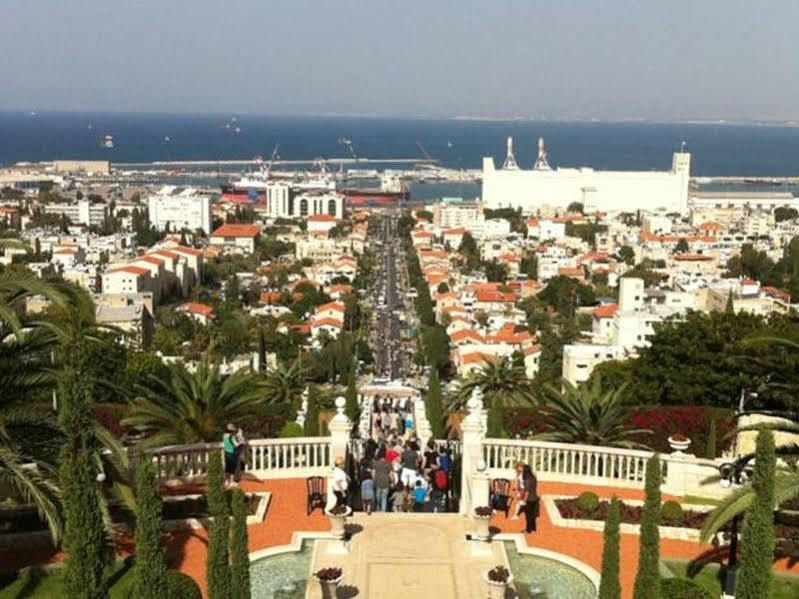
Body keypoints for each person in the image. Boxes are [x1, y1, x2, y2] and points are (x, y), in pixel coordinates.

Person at [518, 463, 539, 533]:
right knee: (533, 515)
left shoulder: (527, 481)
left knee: (528, 516)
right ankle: (534, 528)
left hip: (529, 500)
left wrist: (523, 501)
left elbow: (527, 492)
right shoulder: (534, 478)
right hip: (535, 498)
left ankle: (528, 529)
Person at [373, 448, 393, 512]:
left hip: (378, 481)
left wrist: (374, 480)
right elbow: (391, 473)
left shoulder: (375, 463)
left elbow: (373, 473)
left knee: (378, 497)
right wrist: (392, 481)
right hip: (386, 482)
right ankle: (383, 511)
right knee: (384, 498)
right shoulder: (389, 463)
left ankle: (378, 508)